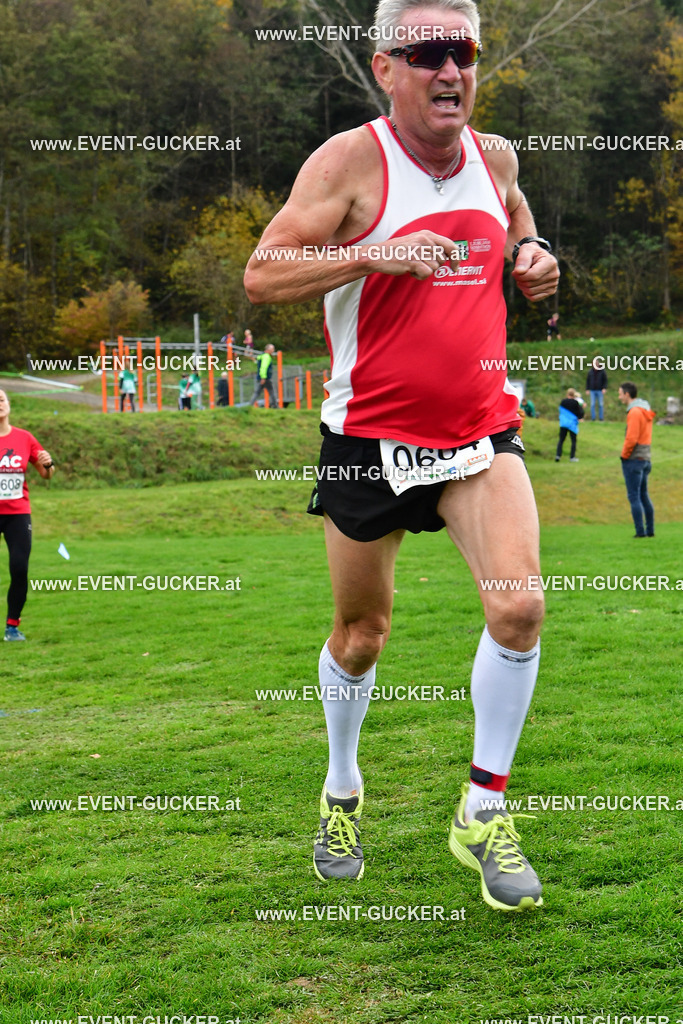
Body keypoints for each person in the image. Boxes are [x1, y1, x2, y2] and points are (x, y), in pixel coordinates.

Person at [244, 0, 559, 912]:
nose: (449, 70)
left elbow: (513, 211)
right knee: (361, 636)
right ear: (386, 68)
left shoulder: (494, 157)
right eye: (427, 54)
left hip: (475, 434)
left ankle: (481, 810)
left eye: (461, 52)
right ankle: (342, 786)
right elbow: (263, 275)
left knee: (521, 608)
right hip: (365, 441)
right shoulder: (349, 161)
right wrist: (376, 252)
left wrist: (533, 250)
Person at [0, 389, 55, 641]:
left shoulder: (24, 438)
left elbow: (46, 474)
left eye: (1, 399)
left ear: (9, 404)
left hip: (18, 514)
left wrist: (48, 463)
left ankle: (12, 626)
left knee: (20, 569)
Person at [618, 382, 655, 538]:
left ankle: (640, 532)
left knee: (634, 496)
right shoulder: (645, 410)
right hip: (645, 458)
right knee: (643, 495)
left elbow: (631, 438)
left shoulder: (634, 412)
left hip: (634, 459)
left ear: (627, 394)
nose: (619, 397)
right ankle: (650, 530)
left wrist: (624, 455)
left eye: (620, 393)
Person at [555, 388, 584, 462]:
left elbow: (560, 411)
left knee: (561, 440)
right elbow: (580, 412)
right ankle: (572, 457)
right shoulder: (575, 403)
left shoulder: (563, 402)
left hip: (563, 423)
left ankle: (558, 455)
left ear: (567, 394)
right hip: (572, 424)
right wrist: (580, 418)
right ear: (574, 395)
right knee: (573, 441)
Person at [249, 344, 278, 408]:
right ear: (268, 350)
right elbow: (264, 367)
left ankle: (250, 405)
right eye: (272, 349)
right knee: (271, 392)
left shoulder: (262, 356)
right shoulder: (266, 357)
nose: (273, 350)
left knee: (257, 392)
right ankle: (275, 406)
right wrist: (263, 377)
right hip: (265, 378)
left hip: (262, 377)